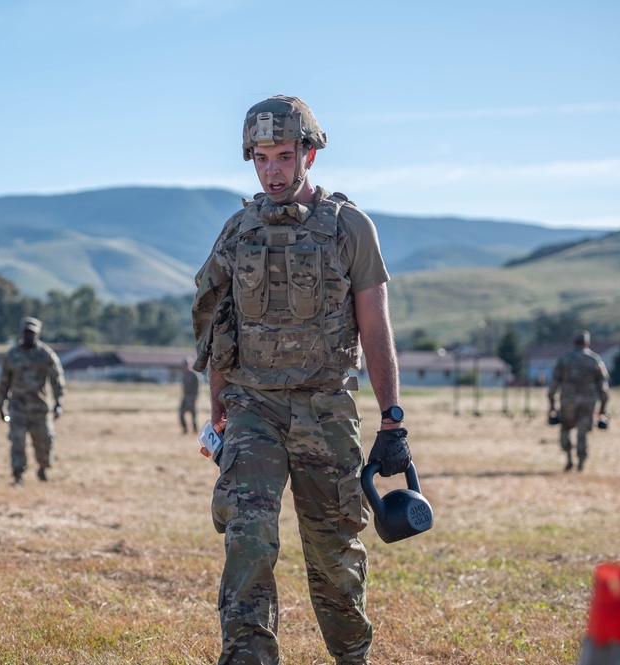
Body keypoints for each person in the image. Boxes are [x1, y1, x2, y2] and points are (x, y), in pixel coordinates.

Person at [192, 95, 410, 665]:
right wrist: (217, 412)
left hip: (325, 410)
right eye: (261, 159)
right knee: (247, 541)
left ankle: (351, 658)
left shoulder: (349, 228)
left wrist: (392, 420)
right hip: (252, 409)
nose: (272, 171)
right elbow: (220, 323)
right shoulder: (237, 231)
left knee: (334, 553)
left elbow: (375, 327)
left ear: (309, 155)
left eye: (284, 156)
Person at [0, 317, 65, 485]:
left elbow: (57, 379)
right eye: (26, 332)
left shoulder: (45, 354)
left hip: (39, 407)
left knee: (44, 441)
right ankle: (18, 474)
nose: (28, 335)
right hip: (17, 406)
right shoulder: (12, 355)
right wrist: (0, 404)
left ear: (37, 334)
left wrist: (59, 403)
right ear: (22, 333)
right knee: (17, 440)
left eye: (32, 333)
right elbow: (4, 381)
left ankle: (43, 468)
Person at [548, 329, 610, 472]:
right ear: (587, 343)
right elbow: (603, 387)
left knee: (565, 427)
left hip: (568, 400)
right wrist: (603, 409)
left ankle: (569, 458)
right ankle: (581, 463)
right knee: (582, 431)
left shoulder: (564, 358)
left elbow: (554, 384)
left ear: (574, 342)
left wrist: (552, 404)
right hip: (589, 400)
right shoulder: (594, 359)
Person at [179, 357, 200, 434]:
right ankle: (185, 429)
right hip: (185, 397)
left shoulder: (194, 375)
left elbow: (197, 387)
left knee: (193, 415)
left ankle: (195, 430)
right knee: (181, 413)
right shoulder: (184, 374)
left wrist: (195, 397)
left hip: (192, 397)